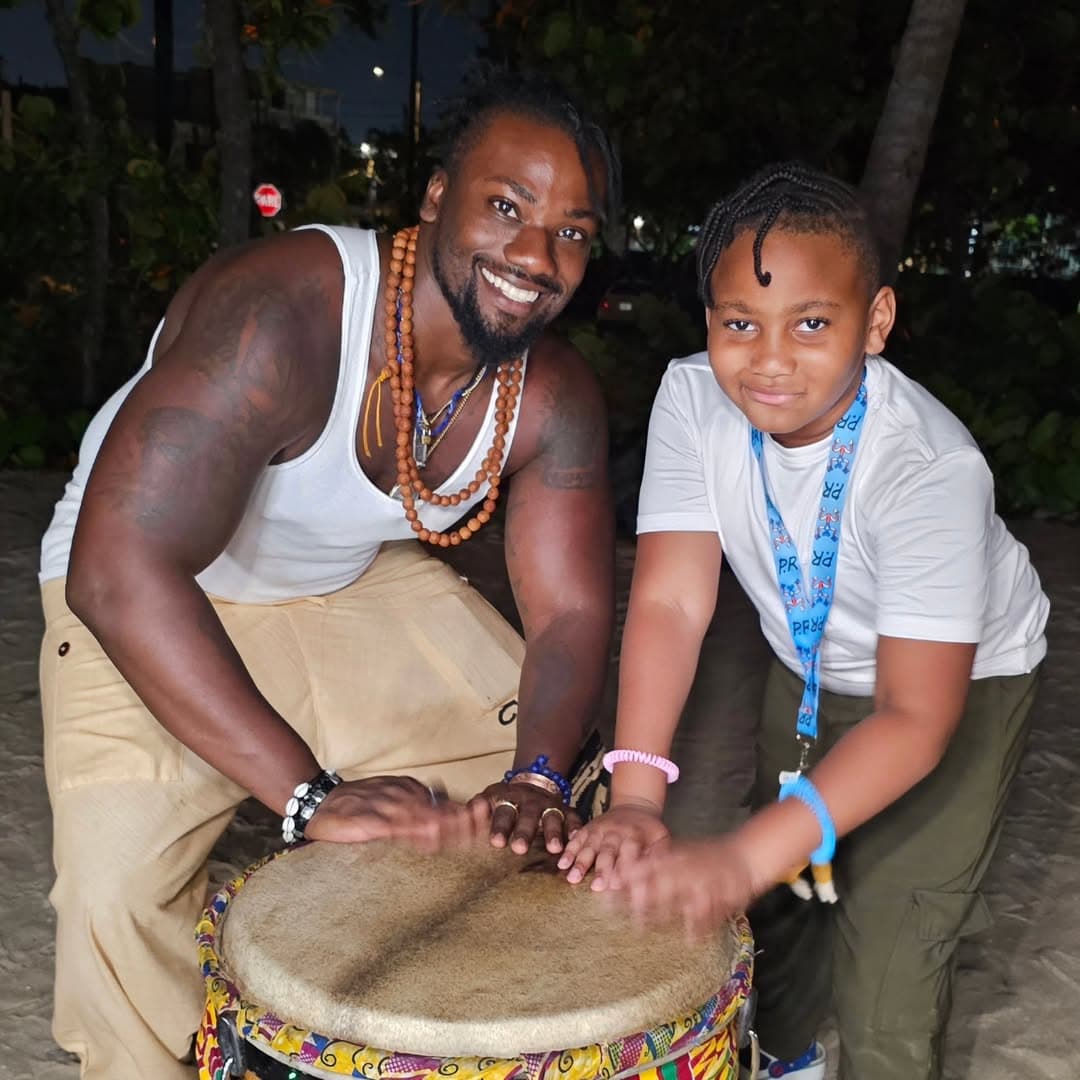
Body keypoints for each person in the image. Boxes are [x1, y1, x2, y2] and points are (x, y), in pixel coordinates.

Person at [38, 68, 620, 1080]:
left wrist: (534, 774)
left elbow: (569, 611)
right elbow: (120, 569)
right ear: (435, 199)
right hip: (143, 590)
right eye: (506, 207)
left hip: (339, 583)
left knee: (559, 804)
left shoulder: (552, 392)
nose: (536, 254)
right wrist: (307, 800)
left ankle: (453, 1043)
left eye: (571, 229)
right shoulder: (283, 313)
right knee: (116, 899)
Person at [558, 163, 1048, 1080]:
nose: (769, 358)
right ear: (708, 319)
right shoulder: (692, 397)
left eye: (811, 323)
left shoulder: (931, 470)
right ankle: (779, 1063)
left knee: (891, 947)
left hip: (958, 687)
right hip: (811, 662)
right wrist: (633, 798)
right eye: (739, 321)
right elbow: (669, 600)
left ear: (878, 322)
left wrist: (738, 857)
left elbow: (914, 721)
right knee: (784, 917)